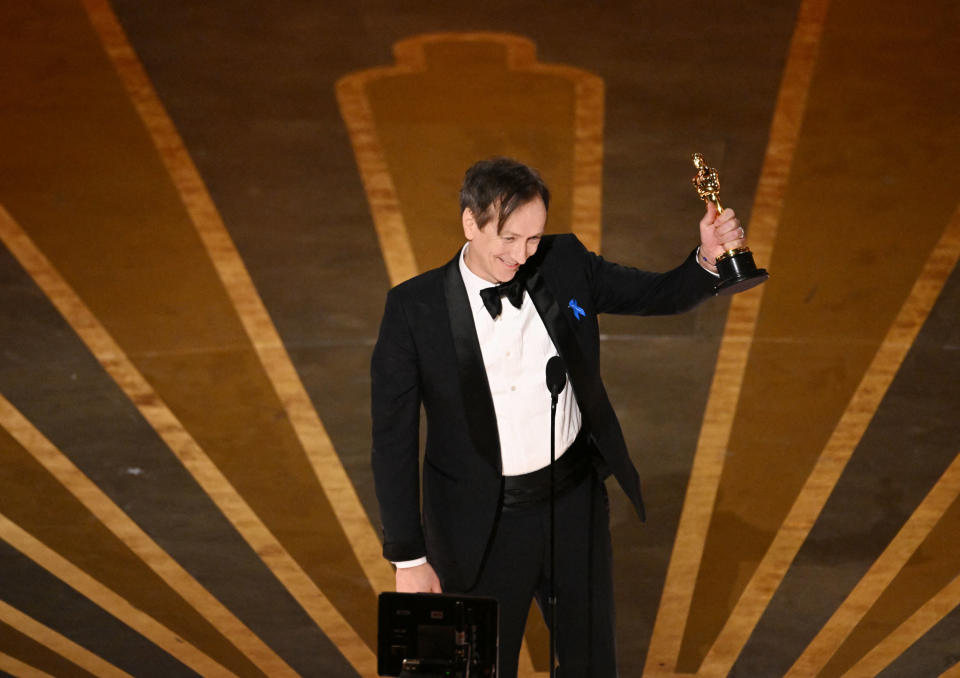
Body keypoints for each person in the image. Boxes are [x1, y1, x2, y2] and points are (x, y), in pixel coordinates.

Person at [370, 157, 745, 677]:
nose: (521, 255)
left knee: (592, 664)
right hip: (478, 527)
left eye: (532, 238)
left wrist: (707, 258)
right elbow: (391, 443)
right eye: (508, 238)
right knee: (472, 669)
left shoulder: (563, 260)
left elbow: (656, 294)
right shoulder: (414, 310)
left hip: (573, 508)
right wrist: (409, 561)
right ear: (470, 223)